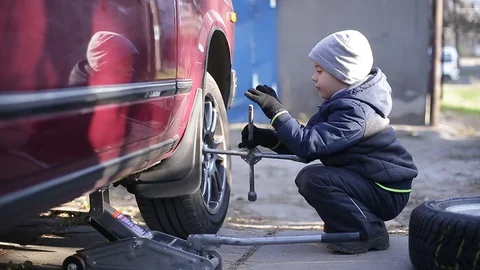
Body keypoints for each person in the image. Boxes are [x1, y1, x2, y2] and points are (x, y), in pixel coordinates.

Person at [238, 30, 418, 254]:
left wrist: (277, 113)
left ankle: (368, 232)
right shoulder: (344, 103)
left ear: (343, 73)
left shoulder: (355, 112)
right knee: (314, 176)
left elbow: (307, 145)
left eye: (319, 70)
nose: (314, 77)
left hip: (386, 188)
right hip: (371, 180)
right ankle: (358, 226)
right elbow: (307, 148)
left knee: (314, 179)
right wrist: (267, 138)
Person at [68, 31, 138, 87]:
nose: (132, 69)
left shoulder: (109, 88)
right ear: (105, 65)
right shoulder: (83, 96)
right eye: (125, 64)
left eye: (132, 64)